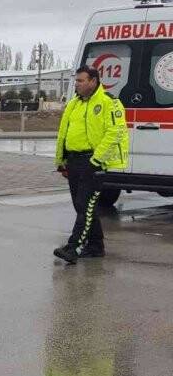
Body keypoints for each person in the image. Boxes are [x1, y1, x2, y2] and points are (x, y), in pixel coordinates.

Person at [53, 65, 128, 263]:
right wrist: (61, 160)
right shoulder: (74, 104)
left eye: (80, 81)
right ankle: (96, 246)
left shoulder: (109, 102)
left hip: (93, 161)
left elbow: (116, 133)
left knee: (84, 205)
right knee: (82, 207)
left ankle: (74, 247)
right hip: (74, 161)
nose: (76, 84)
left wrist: (96, 160)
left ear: (93, 81)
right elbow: (64, 133)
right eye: (76, 81)